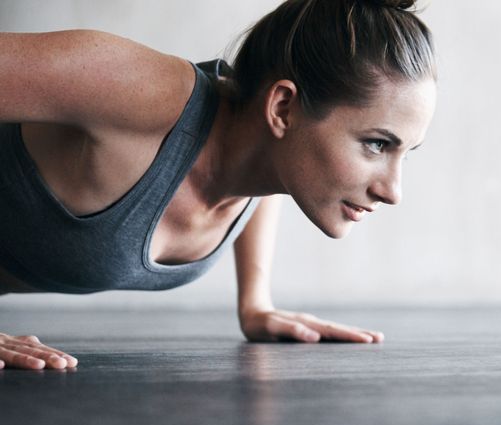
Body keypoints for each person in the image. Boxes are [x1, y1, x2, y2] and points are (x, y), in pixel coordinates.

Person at [0, 0, 437, 370]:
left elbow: (267, 173)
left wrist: (255, 302)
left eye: (405, 152)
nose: (392, 191)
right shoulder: (143, 93)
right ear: (282, 108)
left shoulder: (261, 157)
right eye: (377, 144)